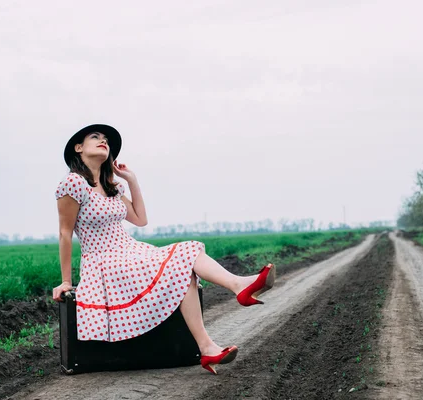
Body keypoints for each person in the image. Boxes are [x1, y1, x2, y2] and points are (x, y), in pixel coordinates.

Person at [52, 124, 275, 375]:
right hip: (104, 262)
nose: (103, 141)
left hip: (130, 251)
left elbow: (139, 219)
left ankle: (208, 347)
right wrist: (66, 281)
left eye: (106, 139)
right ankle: (238, 286)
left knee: (185, 265)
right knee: (184, 254)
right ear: (78, 148)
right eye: (96, 137)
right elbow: (65, 233)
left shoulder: (111, 186)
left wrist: (132, 180)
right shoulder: (73, 183)